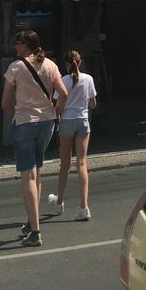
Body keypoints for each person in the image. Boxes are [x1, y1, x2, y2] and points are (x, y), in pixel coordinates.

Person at [2, 29, 69, 247]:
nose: (15, 46)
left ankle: (35, 230)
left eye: (18, 43)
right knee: (37, 172)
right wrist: (56, 112)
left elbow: (5, 102)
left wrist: (18, 114)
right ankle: (32, 220)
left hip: (25, 122)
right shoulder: (50, 65)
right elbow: (63, 93)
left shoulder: (16, 67)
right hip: (47, 122)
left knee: (27, 176)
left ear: (25, 45)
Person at [48, 49, 98, 221]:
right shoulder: (89, 79)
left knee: (65, 164)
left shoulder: (63, 80)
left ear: (66, 64)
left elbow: (58, 106)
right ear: (80, 62)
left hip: (67, 122)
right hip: (83, 122)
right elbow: (93, 104)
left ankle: (59, 202)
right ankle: (84, 207)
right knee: (82, 164)